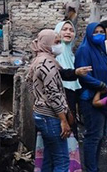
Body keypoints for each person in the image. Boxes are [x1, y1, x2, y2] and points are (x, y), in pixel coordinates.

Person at [28, 29, 71, 172]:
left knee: (49, 158)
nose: (59, 45)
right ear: (47, 43)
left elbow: (32, 86)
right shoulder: (48, 63)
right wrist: (63, 120)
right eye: (57, 42)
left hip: (41, 113)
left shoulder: (38, 59)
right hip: (50, 116)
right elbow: (54, 94)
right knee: (62, 161)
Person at [75, 22, 107, 172]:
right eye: (96, 32)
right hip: (90, 99)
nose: (99, 34)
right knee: (93, 135)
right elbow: (84, 75)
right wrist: (100, 84)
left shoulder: (101, 49)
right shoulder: (84, 50)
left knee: (101, 136)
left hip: (103, 98)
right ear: (89, 34)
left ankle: (94, 167)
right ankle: (91, 168)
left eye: (102, 32)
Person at [54, 21, 83, 139]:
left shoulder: (70, 53)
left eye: (71, 30)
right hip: (60, 94)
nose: (68, 32)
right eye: (64, 29)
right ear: (57, 32)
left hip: (72, 91)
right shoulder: (54, 51)